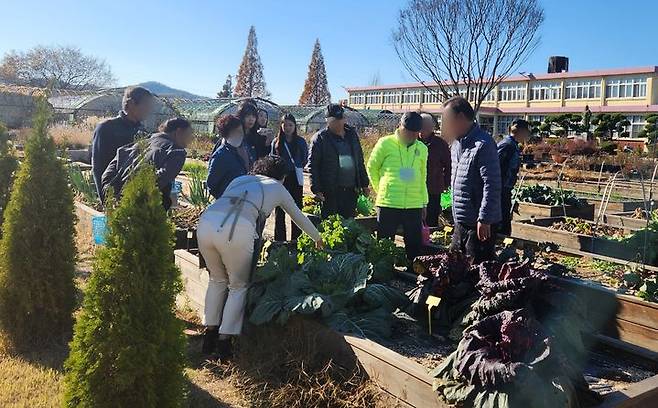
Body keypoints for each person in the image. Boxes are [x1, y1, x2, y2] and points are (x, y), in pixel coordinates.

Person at [197, 156, 323, 358]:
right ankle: (224, 343)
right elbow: (297, 216)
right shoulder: (278, 187)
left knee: (217, 280)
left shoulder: (239, 179)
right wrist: (317, 238)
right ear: (281, 175)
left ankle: (208, 337)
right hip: (236, 228)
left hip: (206, 222)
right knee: (238, 286)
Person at [442, 97, 501, 263]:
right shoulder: (456, 145)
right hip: (461, 221)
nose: (445, 125)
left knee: (477, 270)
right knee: (454, 267)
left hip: (479, 224)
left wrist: (485, 218)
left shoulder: (483, 144)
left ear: (460, 118)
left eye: (447, 120)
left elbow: (492, 184)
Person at [367, 112, 428, 261]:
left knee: (414, 244)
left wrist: (424, 202)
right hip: (388, 202)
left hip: (414, 204)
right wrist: (380, 189)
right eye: (409, 132)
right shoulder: (385, 143)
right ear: (401, 127)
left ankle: (413, 273)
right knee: (385, 243)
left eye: (416, 133)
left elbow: (422, 176)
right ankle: (383, 274)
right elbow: (371, 167)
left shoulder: (422, 148)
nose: (413, 136)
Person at [101, 117, 193, 210]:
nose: (191, 138)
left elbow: (110, 170)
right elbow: (162, 177)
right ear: (179, 132)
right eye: (189, 134)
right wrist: (136, 196)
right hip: (146, 209)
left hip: (121, 205)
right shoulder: (175, 151)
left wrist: (111, 193)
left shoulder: (141, 142)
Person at [307, 104, 369, 219]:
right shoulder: (320, 138)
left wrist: (364, 184)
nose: (339, 123)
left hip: (351, 190)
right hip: (330, 190)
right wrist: (316, 189)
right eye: (335, 121)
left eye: (341, 119)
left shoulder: (352, 135)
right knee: (331, 224)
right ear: (328, 121)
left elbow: (359, 160)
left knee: (349, 224)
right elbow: (313, 166)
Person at [91, 86, 154, 198]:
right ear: (131, 104)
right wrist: (105, 199)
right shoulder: (106, 128)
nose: (149, 109)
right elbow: (98, 167)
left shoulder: (143, 132)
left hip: (137, 194)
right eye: (146, 105)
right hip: (115, 192)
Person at [271, 113, 308, 241]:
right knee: (279, 211)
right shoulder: (276, 142)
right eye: (285, 125)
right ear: (281, 126)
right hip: (280, 179)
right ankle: (279, 240)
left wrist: (296, 166)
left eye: (290, 125)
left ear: (295, 126)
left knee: (296, 210)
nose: (287, 128)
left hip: (295, 178)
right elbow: (272, 160)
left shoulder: (300, 142)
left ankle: (296, 240)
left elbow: (304, 159)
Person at [206, 115, 253, 199]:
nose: (240, 133)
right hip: (229, 202)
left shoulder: (246, 148)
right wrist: (225, 198)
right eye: (236, 131)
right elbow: (211, 184)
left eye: (240, 130)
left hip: (246, 199)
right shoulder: (221, 155)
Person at [497, 119, 530, 236]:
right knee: (502, 219)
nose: (527, 136)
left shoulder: (513, 145)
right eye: (526, 132)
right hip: (500, 189)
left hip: (505, 187)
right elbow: (497, 167)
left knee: (505, 216)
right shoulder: (507, 145)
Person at [419, 112, 452, 227]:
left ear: (431, 127)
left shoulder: (440, 144)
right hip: (414, 189)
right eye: (421, 126)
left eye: (425, 126)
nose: (422, 130)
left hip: (433, 189)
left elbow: (449, 166)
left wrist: (445, 184)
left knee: (431, 219)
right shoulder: (413, 142)